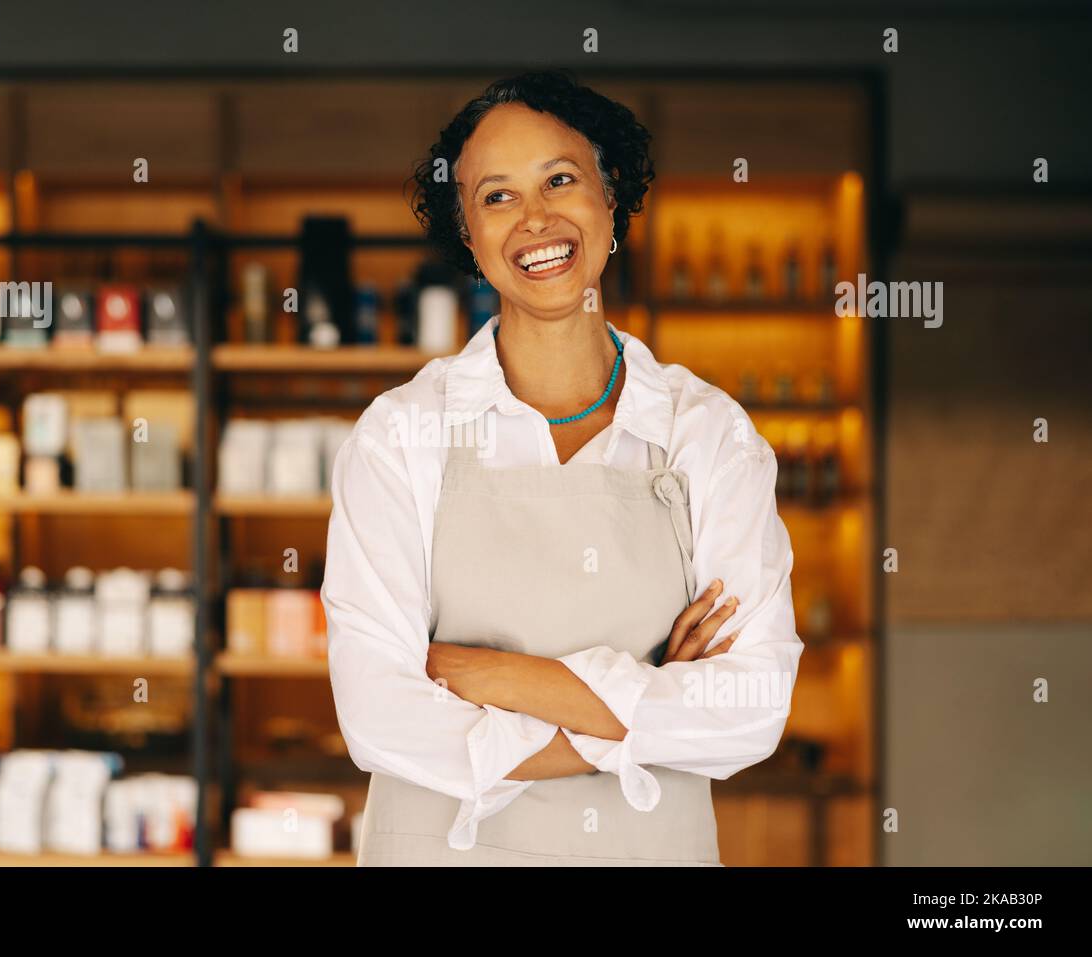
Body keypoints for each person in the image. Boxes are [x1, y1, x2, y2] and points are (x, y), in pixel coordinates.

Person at [320, 69, 804, 866]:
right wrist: (644, 710)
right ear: (468, 236)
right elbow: (378, 714)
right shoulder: (400, 436)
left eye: (561, 179)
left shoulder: (707, 435)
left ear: (611, 200)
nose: (535, 218)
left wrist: (502, 677)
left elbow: (753, 705)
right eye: (497, 197)